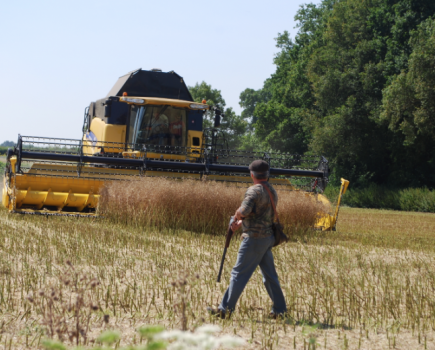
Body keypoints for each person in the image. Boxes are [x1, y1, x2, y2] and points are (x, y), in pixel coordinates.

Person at [207, 160, 287, 319]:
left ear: (252, 175)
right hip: (267, 238)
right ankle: (280, 310)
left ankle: (225, 310)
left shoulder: (254, 191)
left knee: (238, 274)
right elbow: (262, 216)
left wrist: (237, 216)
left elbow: (244, 210)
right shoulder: (271, 190)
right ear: (267, 174)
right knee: (270, 276)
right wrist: (243, 222)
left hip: (254, 240)